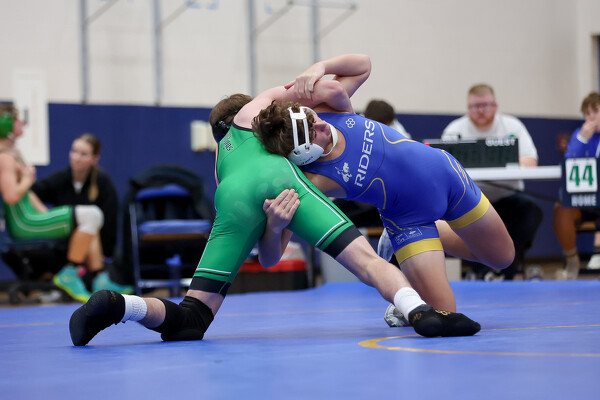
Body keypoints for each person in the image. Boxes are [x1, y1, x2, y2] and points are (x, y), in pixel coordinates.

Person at [68, 55, 482, 346]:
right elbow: (336, 84)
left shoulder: (220, 164)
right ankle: (418, 312)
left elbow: (268, 260)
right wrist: (316, 75)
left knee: (192, 318)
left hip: (232, 200)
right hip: (282, 182)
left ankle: (122, 305)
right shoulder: (258, 110)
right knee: (369, 264)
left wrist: (275, 225)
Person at [252, 54, 514, 327]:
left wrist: (320, 67)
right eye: (312, 132)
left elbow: (363, 66)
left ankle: (437, 230)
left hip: (446, 176)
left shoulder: (331, 110)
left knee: (502, 258)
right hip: (408, 220)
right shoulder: (310, 181)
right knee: (443, 315)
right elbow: (269, 259)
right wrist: (274, 226)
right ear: (303, 154)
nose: (320, 125)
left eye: (312, 118)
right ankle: (415, 250)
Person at [0, 103, 105, 302]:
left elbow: (26, 194)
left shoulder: (10, 153)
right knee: (91, 215)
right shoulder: (5, 157)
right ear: (5, 125)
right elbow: (11, 196)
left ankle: (100, 279)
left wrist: (45, 214)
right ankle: (70, 274)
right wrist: (27, 180)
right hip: (24, 223)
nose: (21, 122)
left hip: (29, 218)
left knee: (90, 218)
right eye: (16, 119)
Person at [441, 84, 543, 280]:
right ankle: (482, 271)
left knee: (532, 211)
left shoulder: (512, 126)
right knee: (450, 217)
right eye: (475, 106)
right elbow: (444, 168)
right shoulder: (454, 130)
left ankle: (504, 269)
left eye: (485, 105)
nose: (480, 110)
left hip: (508, 198)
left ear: (495, 106)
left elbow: (531, 161)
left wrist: (496, 162)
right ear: (468, 107)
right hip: (471, 201)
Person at [31, 133, 132, 294]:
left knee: (92, 222)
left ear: (94, 159)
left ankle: (95, 275)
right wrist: (45, 215)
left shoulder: (103, 183)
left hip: (93, 253)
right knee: (90, 218)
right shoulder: (61, 178)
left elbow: (110, 224)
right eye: (74, 151)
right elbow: (32, 192)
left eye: (83, 154)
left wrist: (105, 254)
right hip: (63, 246)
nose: (76, 158)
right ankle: (91, 276)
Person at [553, 91, 600, 279]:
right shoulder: (579, 135)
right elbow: (568, 163)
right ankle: (572, 260)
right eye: (587, 113)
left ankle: (598, 250)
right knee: (561, 210)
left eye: (595, 111)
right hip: (583, 199)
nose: (591, 117)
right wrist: (582, 140)